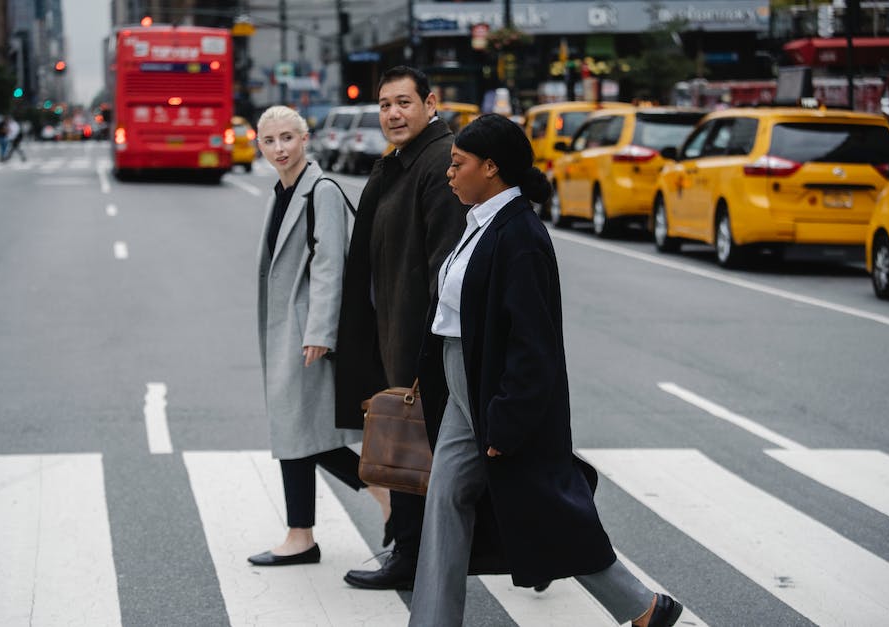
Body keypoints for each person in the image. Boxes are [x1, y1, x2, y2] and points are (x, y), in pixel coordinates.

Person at [408, 114, 685, 627]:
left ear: (490, 168)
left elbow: (534, 345)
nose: (450, 172)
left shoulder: (521, 236)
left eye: (458, 163)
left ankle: (643, 607)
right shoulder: (482, 224)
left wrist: (508, 417)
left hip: (496, 391)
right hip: (462, 378)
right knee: (446, 499)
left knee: (549, 508)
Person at [334, 66, 467, 590]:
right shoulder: (396, 163)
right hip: (394, 330)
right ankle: (533, 544)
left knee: (418, 452)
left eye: (404, 102)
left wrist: (426, 348)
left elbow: (444, 260)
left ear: (430, 103)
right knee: (422, 450)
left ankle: (410, 556)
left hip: (421, 339)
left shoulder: (439, 162)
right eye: (385, 104)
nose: (393, 113)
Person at [249, 105, 390, 567]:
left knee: (299, 429)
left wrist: (321, 332)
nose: (280, 149)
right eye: (269, 141)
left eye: (288, 138)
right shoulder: (281, 191)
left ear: (306, 139)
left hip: (307, 331)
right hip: (287, 326)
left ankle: (304, 533)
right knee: (306, 430)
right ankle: (370, 500)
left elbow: (331, 263)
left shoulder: (320, 190)